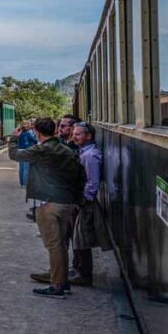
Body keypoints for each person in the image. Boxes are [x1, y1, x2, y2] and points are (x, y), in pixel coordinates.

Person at [8, 117, 85, 298]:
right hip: (67, 201)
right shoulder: (67, 150)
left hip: (50, 202)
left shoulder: (42, 149)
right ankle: (60, 279)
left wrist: (13, 138)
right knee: (61, 244)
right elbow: (80, 175)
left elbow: (15, 155)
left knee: (54, 245)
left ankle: (57, 285)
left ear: (37, 132)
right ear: (55, 130)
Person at [70, 122, 102, 286]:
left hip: (85, 202)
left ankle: (85, 274)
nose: (74, 137)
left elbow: (92, 182)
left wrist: (84, 200)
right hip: (82, 200)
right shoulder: (85, 152)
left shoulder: (90, 155)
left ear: (88, 136)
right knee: (79, 236)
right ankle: (80, 270)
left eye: (78, 134)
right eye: (74, 134)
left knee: (81, 237)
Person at [17, 120, 37, 187]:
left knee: (21, 168)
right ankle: (24, 184)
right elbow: (34, 140)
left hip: (20, 151)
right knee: (26, 168)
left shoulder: (19, 133)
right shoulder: (28, 134)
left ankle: (21, 182)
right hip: (27, 151)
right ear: (27, 126)